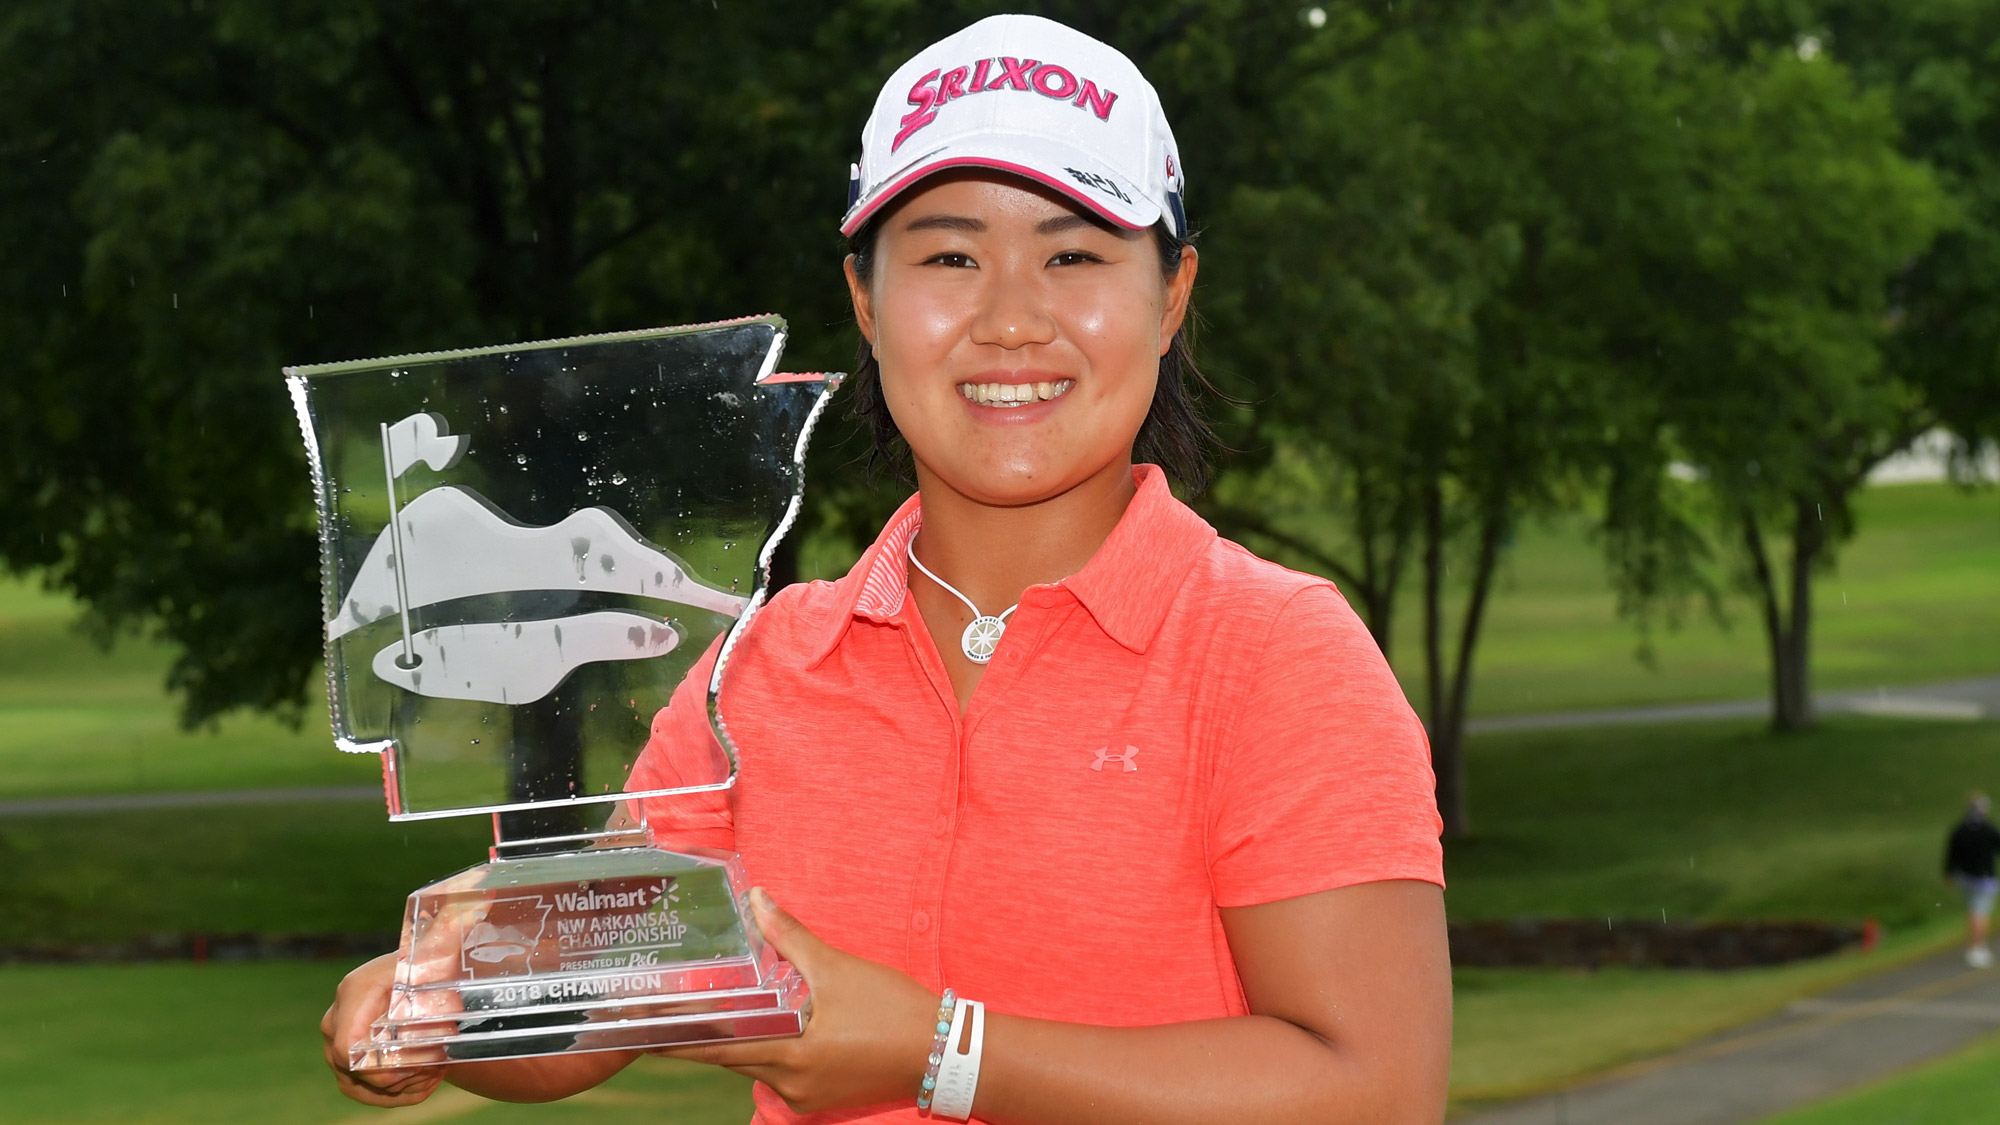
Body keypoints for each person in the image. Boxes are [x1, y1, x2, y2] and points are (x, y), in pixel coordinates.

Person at [322, 14, 1450, 1123]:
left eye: (1073, 254)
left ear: (1172, 295)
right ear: (865, 302)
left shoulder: (1274, 656)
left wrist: (939, 1053)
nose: (1010, 319)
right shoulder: (758, 673)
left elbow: (1374, 1091)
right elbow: (603, 1006)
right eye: (949, 256)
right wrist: (441, 1010)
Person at [1944, 793, 2000, 969]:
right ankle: (1977, 947)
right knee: (1980, 913)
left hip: (1965, 878)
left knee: (1973, 911)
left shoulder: (1960, 829)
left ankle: (1975, 946)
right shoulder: (1988, 829)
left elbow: (1951, 854)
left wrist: (1949, 873)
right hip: (1984, 878)